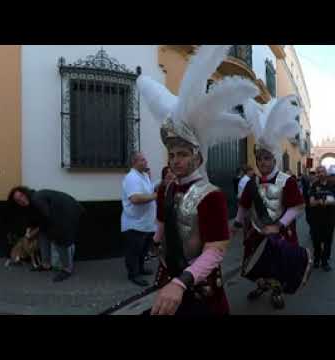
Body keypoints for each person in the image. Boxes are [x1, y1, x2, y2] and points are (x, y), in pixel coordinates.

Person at [137, 45, 259, 316]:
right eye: (172, 153)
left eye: (183, 153)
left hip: (199, 287)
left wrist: (183, 281)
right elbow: (161, 223)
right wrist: (155, 242)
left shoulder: (211, 195)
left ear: (198, 157)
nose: (176, 159)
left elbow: (216, 250)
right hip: (168, 275)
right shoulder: (166, 188)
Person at [233, 96, 306, 310]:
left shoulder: (288, 181)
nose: (263, 162)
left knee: (279, 265)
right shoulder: (251, 182)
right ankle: (262, 284)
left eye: (267, 158)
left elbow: (296, 207)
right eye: (260, 159)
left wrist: (279, 225)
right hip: (256, 231)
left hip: (281, 231)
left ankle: (277, 291)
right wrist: (237, 223)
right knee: (256, 264)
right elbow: (244, 205)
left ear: (274, 159)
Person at [9, 186, 83, 282]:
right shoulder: (29, 204)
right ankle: (46, 264)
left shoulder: (36, 199)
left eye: (22, 196)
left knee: (58, 236)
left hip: (69, 211)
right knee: (43, 234)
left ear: (25, 193)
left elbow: (46, 220)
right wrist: (30, 229)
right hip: (55, 214)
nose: (21, 200)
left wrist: (32, 233)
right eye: (18, 200)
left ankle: (67, 269)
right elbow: (36, 220)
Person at [121, 152, 157, 287]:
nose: (146, 162)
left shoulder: (144, 175)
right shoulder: (131, 178)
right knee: (133, 252)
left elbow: (149, 189)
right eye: (142, 160)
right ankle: (133, 275)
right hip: (134, 224)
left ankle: (141, 269)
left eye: (145, 159)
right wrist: (155, 196)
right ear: (134, 162)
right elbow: (135, 198)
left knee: (143, 250)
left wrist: (161, 183)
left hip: (146, 223)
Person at [309, 166, 335, 271]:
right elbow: (311, 202)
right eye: (318, 172)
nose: (320, 174)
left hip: (329, 219)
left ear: (326, 173)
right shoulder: (314, 186)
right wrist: (323, 202)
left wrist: (322, 201)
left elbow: (334, 201)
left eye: (322, 172)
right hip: (316, 219)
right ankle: (316, 259)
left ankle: (325, 262)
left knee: (328, 241)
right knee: (316, 241)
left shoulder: (332, 185)